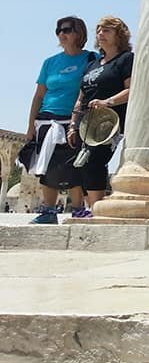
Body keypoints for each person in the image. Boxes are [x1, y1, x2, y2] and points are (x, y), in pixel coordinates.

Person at [23, 16, 95, 224]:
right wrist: (30, 126)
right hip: (46, 119)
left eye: (66, 30)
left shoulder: (90, 58)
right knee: (47, 165)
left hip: (74, 119)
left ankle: (78, 209)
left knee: (74, 164)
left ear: (78, 33)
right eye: (58, 30)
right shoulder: (50, 63)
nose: (61, 34)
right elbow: (38, 96)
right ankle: (49, 211)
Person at [67, 16, 133, 213]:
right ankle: (90, 208)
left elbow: (132, 90)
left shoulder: (126, 59)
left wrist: (107, 102)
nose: (100, 34)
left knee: (95, 160)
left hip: (110, 122)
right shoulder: (93, 64)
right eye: (99, 30)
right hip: (86, 124)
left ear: (118, 35)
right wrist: (72, 125)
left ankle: (97, 209)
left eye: (106, 30)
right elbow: (81, 97)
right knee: (81, 164)